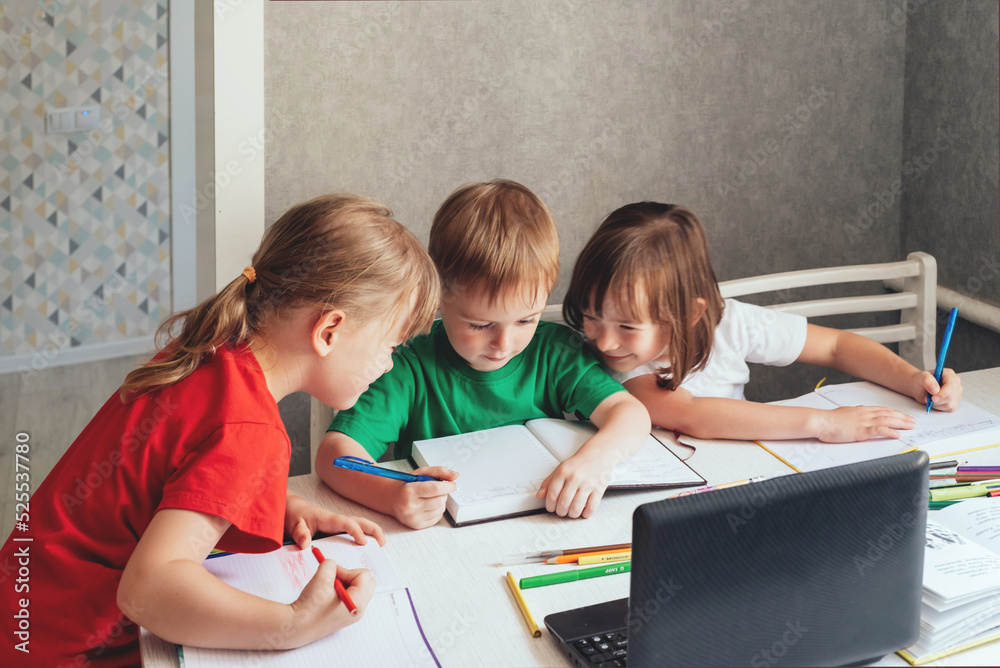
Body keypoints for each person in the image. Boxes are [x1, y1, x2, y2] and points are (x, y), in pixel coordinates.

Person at [0, 194, 441, 667]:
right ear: (329, 331)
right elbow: (147, 590)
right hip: (64, 651)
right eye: (391, 346)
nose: (388, 364)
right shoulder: (250, 428)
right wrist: (293, 625)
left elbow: (176, 475)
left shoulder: (214, 347)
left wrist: (283, 506)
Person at [316, 180, 651, 529]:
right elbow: (334, 456)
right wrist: (391, 495)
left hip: (544, 522)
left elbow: (629, 413)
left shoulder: (555, 351)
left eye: (526, 319)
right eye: (479, 325)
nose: (503, 343)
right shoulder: (409, 364)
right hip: (443, 536)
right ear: (439, 298)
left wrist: (593, 463)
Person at [563, 201, 962, 442]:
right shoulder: (609, 368)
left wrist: (912, 379)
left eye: (628, 327)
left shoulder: (729, 322)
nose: (603, 341)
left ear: (690, 314)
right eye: (592, 315)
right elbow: (694, 415)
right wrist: (825, 424)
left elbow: (837, 347)